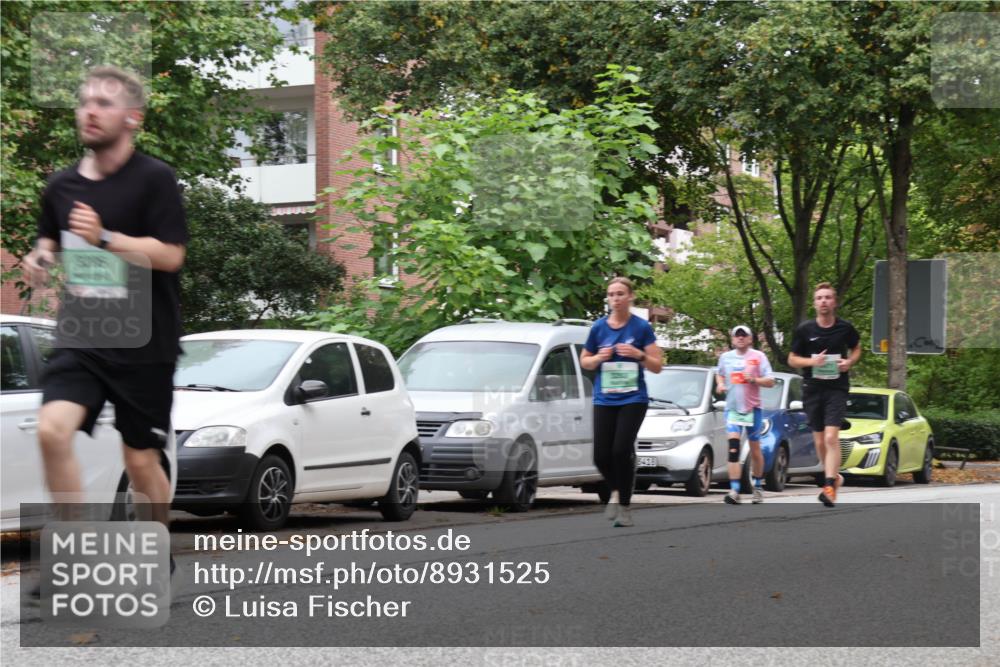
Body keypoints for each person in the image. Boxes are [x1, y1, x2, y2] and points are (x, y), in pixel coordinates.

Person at [22, 66, 188, 592]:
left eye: (104, 103)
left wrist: (106, 236)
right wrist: (40, 256)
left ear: (132, 118)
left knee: (140, 459)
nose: (89, 110)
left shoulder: (154, 179)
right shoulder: (61, 185)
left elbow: (171, 256)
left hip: (146, 339)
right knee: (51, 430)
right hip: (85, 331)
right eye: (84, 101)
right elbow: (50, 238)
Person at [580, 277, 663, 527]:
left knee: (620, 451)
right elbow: (585, 361)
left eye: (620, 294)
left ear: (630, 297)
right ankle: (616, 490)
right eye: (611, 294)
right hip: (605, 398)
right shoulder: (598, 328)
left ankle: (624, 507)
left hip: (633, 398)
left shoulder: (641, 328)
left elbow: (658, 366)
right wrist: (597, 359)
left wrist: (638, 354)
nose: (615, 298)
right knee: (600, 456)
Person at [788, 282, 861, 507]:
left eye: (828, 297)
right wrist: (812, 361)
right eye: (820, 298)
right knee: (819, 441)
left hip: (836, 388)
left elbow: (857, 347)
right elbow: (792, 359)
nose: (824, 301)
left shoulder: (845, 328)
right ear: (814, 303)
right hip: (813, 388)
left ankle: (829, 487)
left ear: (835, 302)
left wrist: (849, 362)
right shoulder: (805, 330)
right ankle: (835, 476)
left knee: (831, 437)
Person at [715, 325, 776, 505]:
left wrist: (754, 380)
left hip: (752, 409)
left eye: (744, 335)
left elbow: (771, 381)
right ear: (733, 339)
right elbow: (719, 375)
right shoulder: (725, 357)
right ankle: (734, 490)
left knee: (755, 449)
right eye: (737, 335)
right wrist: (720, 385)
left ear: (750, 339)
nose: (740, 338)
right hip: (733, 409)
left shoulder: (759, 357)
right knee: (733, 448)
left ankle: (757, 486)